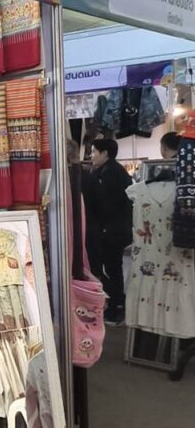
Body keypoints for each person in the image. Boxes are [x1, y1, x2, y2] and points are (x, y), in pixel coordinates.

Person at [84, 138, 133, 324]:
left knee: (110, 269)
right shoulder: (115, 171)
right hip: (116, 230)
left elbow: (107, 206)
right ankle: (115, 305)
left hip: (110, 231)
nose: (91, 155)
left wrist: (102, 228)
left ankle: (115, 307)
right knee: (113, 268)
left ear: (104, 153)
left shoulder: (108, 174)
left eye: (94, 151)